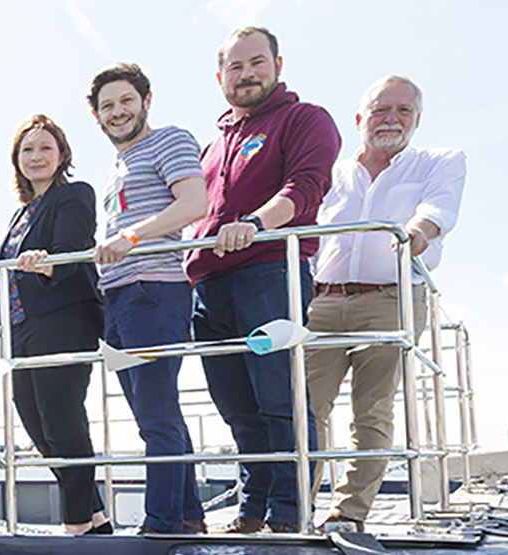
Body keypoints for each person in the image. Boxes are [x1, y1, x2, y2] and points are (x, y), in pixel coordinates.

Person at [191, 26, 339, 534]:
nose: (246, 73)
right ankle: (253, 508)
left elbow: (305, 186)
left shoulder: (305, 118)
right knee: (235, 406)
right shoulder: (212, 146)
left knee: (280, 398)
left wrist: (255, 224)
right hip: (209, 285)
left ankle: (291, 512)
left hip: (269, 269)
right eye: (235, 66)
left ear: (278, 65)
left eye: (256, 62)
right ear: (220, 77)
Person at [306, 75, 465, 533]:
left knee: (371, 408)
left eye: (402, 111)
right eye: (380, 110)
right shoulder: (333, 173)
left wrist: (417, 232)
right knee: (304, 407)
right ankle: (297, 507)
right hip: (325, 300)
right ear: (360, 119)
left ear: (417, 119)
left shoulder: (440, 161)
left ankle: (349, 514)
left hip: (391, 297)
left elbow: (439, 210)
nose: (390, 119)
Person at [85, 63, 212, 535]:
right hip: (118, 300)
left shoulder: (171, 140)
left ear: (146, 100)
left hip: (154, 291)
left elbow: (194, 204)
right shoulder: (116, 166)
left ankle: (161, 524)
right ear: (96, 115)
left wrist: (132, 237)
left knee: (157, 415)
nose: (117, 112)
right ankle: (190, 515)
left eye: (126, 101)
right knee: (153, 414)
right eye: (107, 106)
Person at [0, 113, 109, 535]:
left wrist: (45, 263)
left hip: (62, 321)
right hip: (23, 329)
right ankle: (97, 519)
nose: (36, 156)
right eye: (27, 149)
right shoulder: (22, 212)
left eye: (46, 147)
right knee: (35, 422)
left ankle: (76, 524)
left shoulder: (74, 194)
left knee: (62, 422)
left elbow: (71, 251)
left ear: (62, 154)